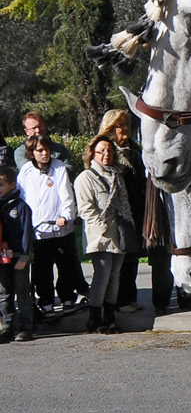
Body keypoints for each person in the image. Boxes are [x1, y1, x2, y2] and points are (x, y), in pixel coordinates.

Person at [97, 108, 176, 315]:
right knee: (126, 258)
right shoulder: (106, 151)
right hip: (122, 213)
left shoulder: (135, 149)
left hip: (143, 210)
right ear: (109, 129)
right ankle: (123, 300)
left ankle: (145, 300)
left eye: (126, 124)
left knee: (145, 256)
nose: (125, 129)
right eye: (119, 125)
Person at [74, 135, 134, 334]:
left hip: (119, 232)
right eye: (101, 151)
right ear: (93, 153)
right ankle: (94, 318)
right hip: (100, 235)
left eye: (109, 151)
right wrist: (102, 228)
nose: (106, 155)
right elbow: (86, 209)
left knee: (115, 275)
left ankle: (110, 318)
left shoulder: (117, 174)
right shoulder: (85, 177)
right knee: (103, 274)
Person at [17, 134, 82, 313]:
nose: (45, 153)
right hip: (39, 230)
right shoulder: (26, 172)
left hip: (59, 227)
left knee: (65, 265)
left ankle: (67, 297)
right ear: (32, 153)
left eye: (47, 149)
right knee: (42, 269)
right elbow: (23, 198)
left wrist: (65, 216)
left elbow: (66, 193)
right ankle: (45, 302)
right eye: (40, 150)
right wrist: (26, 225)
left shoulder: (58, 166)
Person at [0, 165, 35, 342]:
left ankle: (25, 326)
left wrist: (24, 256)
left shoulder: (21, 207)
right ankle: (7, 326)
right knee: (4, 292)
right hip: (2, 257)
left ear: (12, 185)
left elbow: (27, 233)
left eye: (1, 185)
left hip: (18, 257)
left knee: (22, 292)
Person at [14, 111, 76, 180]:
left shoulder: (59, 149)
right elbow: (29, 174)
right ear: (26, 131)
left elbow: (70, 171)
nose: (38, 130)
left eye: (40, 126)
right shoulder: (20, 152)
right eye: (34, 128)